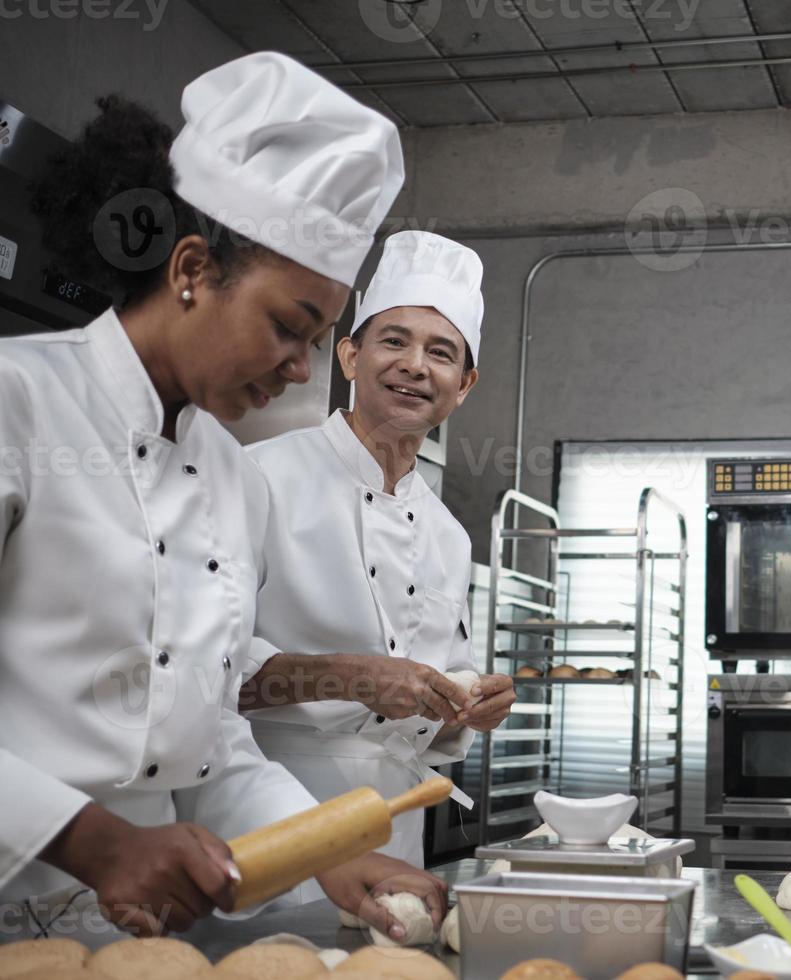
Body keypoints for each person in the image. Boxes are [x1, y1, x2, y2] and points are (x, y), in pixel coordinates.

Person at [0, 53, 443, 940]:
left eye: (316, 341)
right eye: (289, 327)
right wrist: (90, 839)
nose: (298, 370)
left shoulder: (236, 478)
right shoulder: (19, 402)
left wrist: (325, 853)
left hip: (146, 933)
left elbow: (209, 748)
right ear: (192, 268)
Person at [238, 231, 515, 882]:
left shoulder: (449, 535)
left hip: (399, 826)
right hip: (263, 820)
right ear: (350, 355)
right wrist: (347, 678)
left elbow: (439, 697)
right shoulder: (258, 477)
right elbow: (193, 674)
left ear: (464, 384)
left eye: (440, 352)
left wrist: (471, 705)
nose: (416, 366)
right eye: (393, 341)